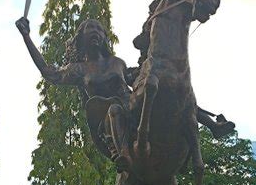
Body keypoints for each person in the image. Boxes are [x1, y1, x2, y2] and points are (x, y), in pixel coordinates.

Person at [15, 16, 234, 172]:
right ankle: (122, 156)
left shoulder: (117, 63)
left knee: (167, 95)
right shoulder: (79, 70)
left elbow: (135, 77)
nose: (96, 33)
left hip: (131, 106)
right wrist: (26, 37)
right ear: (81, 39)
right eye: (90, 29)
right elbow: (49, 73)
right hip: (106, 117)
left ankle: (213, 125)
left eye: (99, 30)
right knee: (113, 109)